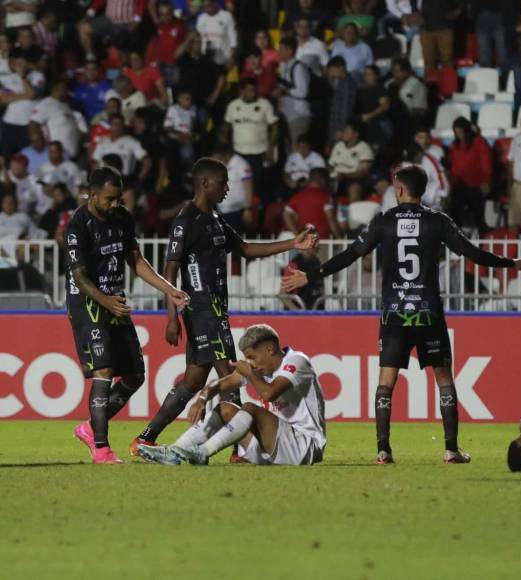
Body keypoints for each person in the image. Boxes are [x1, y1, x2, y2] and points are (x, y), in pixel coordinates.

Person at [282, 164, 521, 464]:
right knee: (444, 379)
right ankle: (451, 449)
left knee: (386, 381)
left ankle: (383, 450)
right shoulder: (438, 221)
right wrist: (511, 263)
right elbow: (473, 254)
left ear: (399, 189)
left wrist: (311, 275)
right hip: (428, 313)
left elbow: (351, 255)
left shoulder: (384, 221)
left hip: (394, 314)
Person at [131, 158, 318, 457]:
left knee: (193, 379)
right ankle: (238, 449)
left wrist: (291, 244)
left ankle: (146, 437)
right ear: (205, 183)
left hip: (215, 309)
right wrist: (171, 316)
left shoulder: (215, 219)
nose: (228, 189)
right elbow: (170, 270)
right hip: (203, 309)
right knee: (231, 374)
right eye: (223, 183)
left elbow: (245, 249)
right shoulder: (186, 220)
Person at [66, 167, 189, 464]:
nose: (114, 205)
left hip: (114, 302)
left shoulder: (122, 218)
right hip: (89, 303)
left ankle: (89, 426)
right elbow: (80, 277)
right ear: (92, 194)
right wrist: (106, 301)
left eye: (118, 199)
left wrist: (169, 289)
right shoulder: (77, 226)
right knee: (104, 370)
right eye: (109, 199)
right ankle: (101, 448)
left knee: (135, 375)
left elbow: (136, 260)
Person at [137, 324, 326, 466]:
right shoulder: (260, 369)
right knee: (225, 408)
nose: (250, 363)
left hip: (305, 445)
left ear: (269, 350)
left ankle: (203, 452)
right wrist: (202, 398)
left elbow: (269, 394)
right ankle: (175, 452)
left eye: (252, 357)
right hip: (274, 443)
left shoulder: (297, 362)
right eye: (247, 359)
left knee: (250, 408)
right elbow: (224, 383)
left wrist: (249, 373)